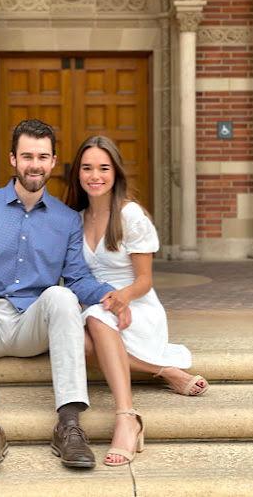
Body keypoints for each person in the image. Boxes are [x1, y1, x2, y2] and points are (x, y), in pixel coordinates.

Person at [0, 120, 128, 473]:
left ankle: (69, 425)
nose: (34, 164)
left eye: (42, 157)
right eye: (27, 156)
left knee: (60, 295)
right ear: (13, 159)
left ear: (53, 161)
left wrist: (110, 294)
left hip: (32, 327)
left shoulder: (67, 219)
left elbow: (76, 278)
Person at [65, 135, 210, 467]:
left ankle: (126, 417)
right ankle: (164, 371)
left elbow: (145, 280)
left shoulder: (130, 215)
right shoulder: (74, 219)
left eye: (103, 168)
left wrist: (123, 298)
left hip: (137, 307)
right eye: (87, 168)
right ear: (77, 174)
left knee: (98, 320)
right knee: (84, 343)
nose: (95, 176)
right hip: (97, 304)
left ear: (116, 173)